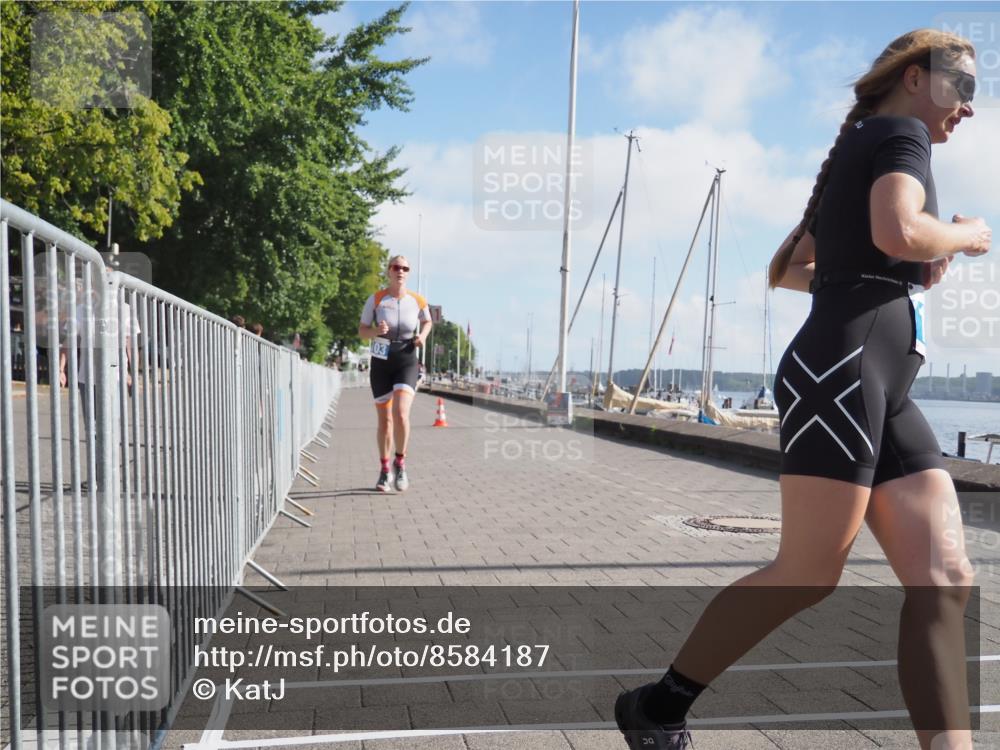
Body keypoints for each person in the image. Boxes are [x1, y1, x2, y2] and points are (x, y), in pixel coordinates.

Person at [615, 29, 990, 750]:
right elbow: (900, 227)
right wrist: (959, 236)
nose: (969, 109)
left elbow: (791, 268)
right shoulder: (901, 136)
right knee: (808, 573)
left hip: (883, 385)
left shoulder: (870, 142)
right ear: (916, 78)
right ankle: (659, 705)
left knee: (945, 574)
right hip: (840, 377)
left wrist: (893, 268)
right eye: (963, 89)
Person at [358, 255, 432, 492]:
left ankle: (400, 463)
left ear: (408, 273)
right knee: (385, 421)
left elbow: (428, 322)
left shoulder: (417, 300)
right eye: (396, 267)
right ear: (388, 271)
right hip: (381, 361)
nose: (400, 271)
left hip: (406, 359)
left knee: (401, 414)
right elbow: (362, 330)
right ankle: (384, 470)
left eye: (405, 268)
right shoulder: (377, 299)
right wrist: (376, 330)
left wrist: (422, 336)